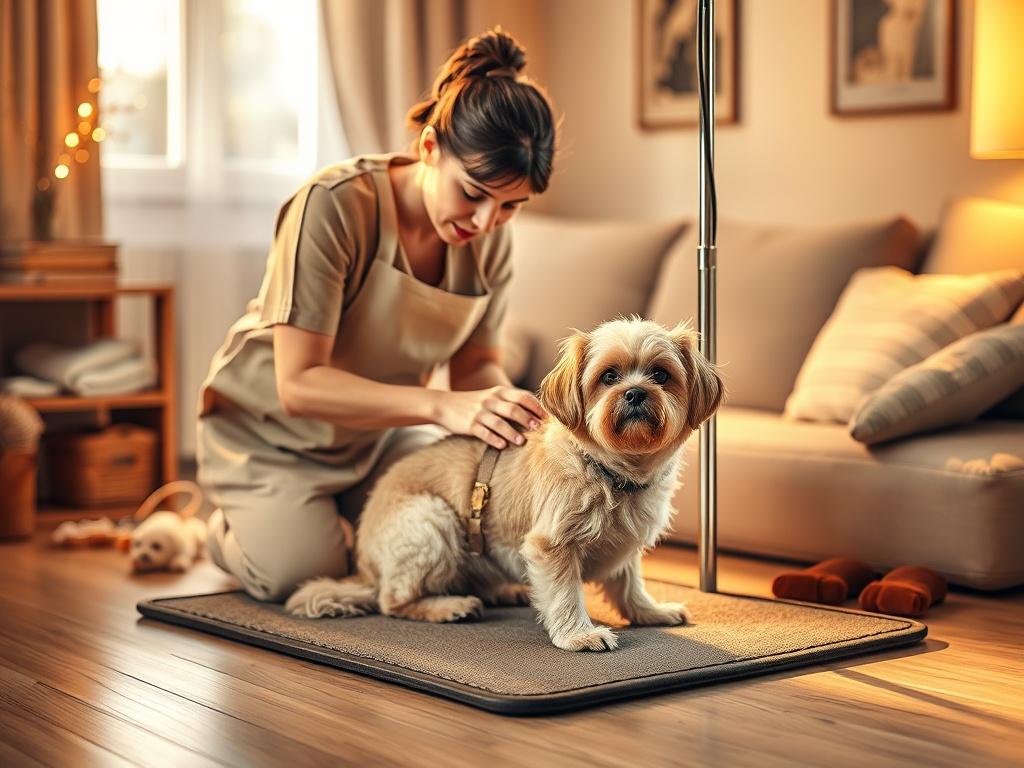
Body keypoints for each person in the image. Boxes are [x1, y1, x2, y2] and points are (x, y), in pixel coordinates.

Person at [196, 28, 557, 602]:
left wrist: (502, 408)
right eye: (473, 193)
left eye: (511, 206)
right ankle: (219, 529)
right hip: (270, 437)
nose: (486, 222)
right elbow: (299, 385)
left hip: (378, 439)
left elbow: (476, 366)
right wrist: (440, 406)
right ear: (431, 149)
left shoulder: (489, 238)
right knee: (299, 573)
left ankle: (332, 519)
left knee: (459, 538)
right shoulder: (334, 205)